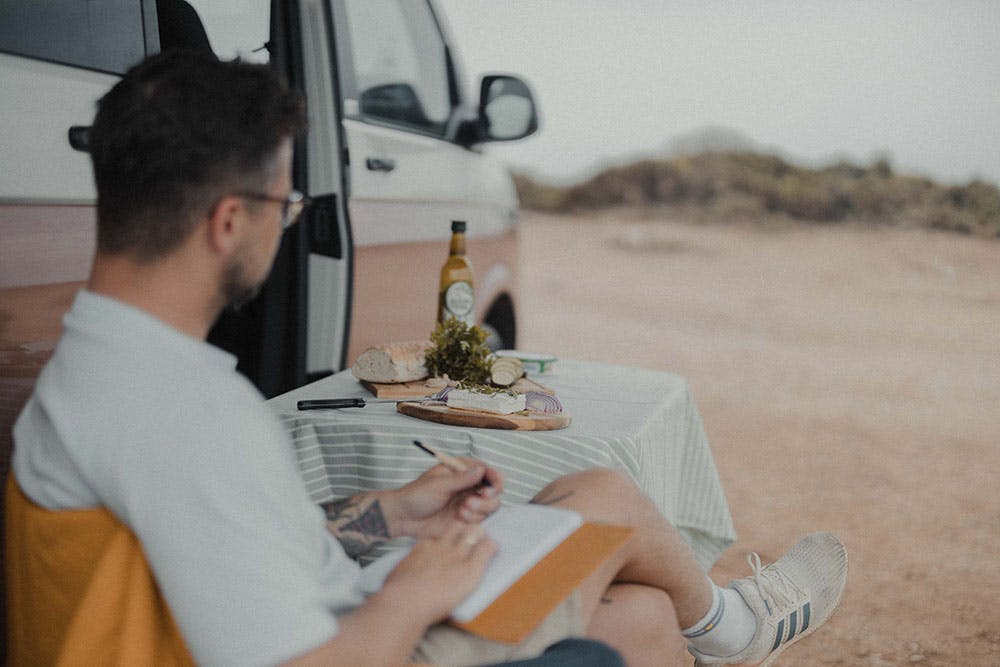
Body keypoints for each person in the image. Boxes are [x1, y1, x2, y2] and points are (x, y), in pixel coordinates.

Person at [7, 50, 847, 667]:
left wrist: (399, 515)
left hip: (323, 611)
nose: (288, 220)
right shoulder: (189, 415)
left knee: (640, 601)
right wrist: (416, 592)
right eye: (286, 203)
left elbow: (236, 536)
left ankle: (732, 628)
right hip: (367, 644)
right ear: (229, 221)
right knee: (619, 533)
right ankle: (740, 627)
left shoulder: (92, 371)